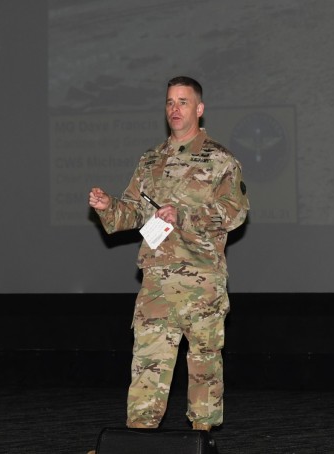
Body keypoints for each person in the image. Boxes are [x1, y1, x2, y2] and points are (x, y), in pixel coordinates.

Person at [88, 76, 250, 432]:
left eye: (183, 102)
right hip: (157, 283)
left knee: (204, 365)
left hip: (201, 283)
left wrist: (185, 217)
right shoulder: (150, 161)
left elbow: (235, 212)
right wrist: (107, 206)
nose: (175, 109)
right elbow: (131, 212)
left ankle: (202, 440)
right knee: (147, 366)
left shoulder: (219, 160)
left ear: (200, 109)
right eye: (170, 102)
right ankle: (139, 442)